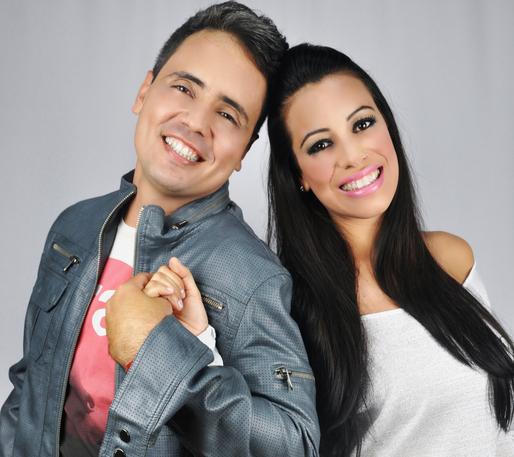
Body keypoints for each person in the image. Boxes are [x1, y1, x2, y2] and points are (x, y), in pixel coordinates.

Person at [0, 3, 320, 456]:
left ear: (245, 151)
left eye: (228, 115)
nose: (196, 122)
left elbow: (296, 444)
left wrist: (160, 353)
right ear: (144, 92)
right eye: (184, 88)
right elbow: (28, 391)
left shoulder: (253, 277)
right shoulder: (74, 226)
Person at [266, 43, 514, 456]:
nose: (353, 155)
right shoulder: (290, 308)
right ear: (298, 175)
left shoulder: (452, 258)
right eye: (321, 145)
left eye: (362, 124)